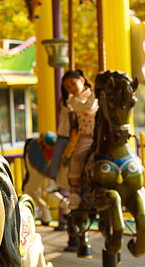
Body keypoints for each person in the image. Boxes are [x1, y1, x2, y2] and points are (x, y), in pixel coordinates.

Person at [50, 70, 98, 210]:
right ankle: (75, 193)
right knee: (77, 158)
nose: (71, 88)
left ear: (82, 81)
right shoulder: (73, 100)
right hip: (87, 135)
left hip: (100, 133)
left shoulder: (93, 94)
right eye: (68, 87)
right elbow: (87, 106)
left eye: (73, 83)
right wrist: (97, 92)